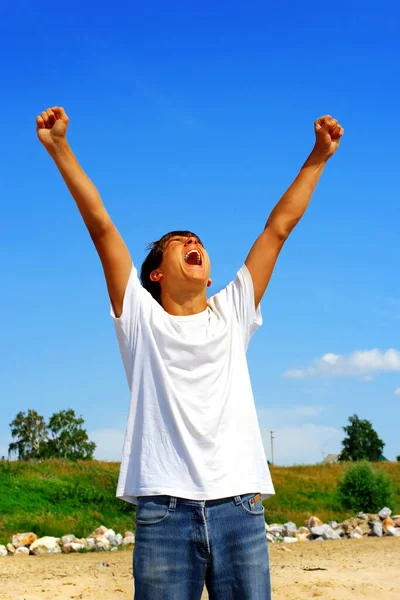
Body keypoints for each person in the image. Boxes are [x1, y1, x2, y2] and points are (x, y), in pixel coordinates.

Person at [36, 107, 343, 600]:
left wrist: (319, 155)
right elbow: (102, 229)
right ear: (156, 274)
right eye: (179, 243)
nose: (193, 242)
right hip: (164, 513)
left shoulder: (233, 311)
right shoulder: (140, 317)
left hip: (239, 509)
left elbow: (277, 229)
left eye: (197, 240)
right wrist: (59, 148)